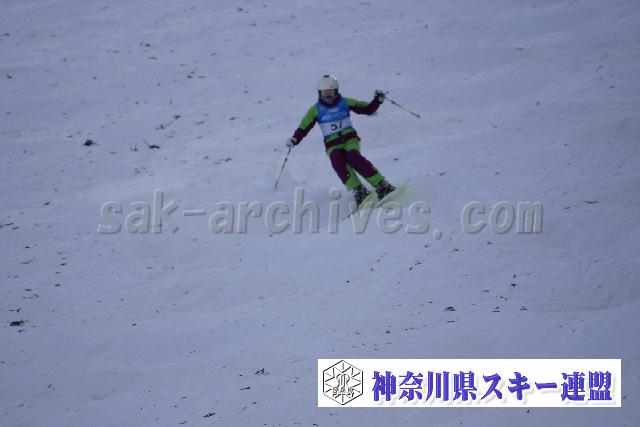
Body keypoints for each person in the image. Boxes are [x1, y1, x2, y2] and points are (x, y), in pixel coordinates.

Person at [286, 74, 396, 205]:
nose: (328, 98)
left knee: (353, 156)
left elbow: (366, 109)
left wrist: (377, 101)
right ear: (319, 94)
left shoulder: (344, 102)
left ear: (336, 91)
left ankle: (381, 185)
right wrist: (295, 139)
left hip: (350, 139)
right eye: (324, 94)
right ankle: (358, 190)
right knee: (337, 159)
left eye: (330, 94)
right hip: (332, 144)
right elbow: (304, 127)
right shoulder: (316, 109)